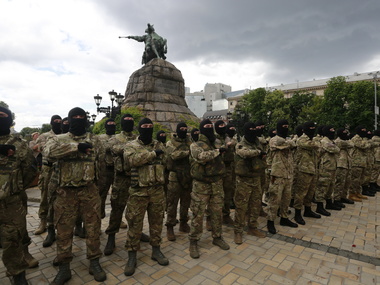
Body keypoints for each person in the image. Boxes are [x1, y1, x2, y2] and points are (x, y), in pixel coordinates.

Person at [45, 107, 106, 284]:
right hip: (65, 193)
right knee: (64, 231)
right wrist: (76, 147)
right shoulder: (58, 139)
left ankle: (94, 262)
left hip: (89, 191)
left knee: (93, 228)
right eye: (75, 117)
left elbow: (100, 164)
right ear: (69, 120)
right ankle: (64, 268)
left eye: (82, 117)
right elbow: (48, 153)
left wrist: (98, 188)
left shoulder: (95, 140)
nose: (78, 119)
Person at [123, 118, 169, 276]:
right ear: (139, 128)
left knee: (157, 223)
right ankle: (132, 256)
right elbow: (131, 161)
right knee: (135, 224)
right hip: (138, 192)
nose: (148, 129)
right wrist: (152, 155)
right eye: (145, 126)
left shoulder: (159, 144)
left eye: (150, 127)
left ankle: (156, 250)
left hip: (157, 190)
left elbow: (167, 162)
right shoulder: (131, 146)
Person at [0, 106, 38, 284]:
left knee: (13, 236)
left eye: (2, 115)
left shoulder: (20, 144)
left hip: (11, 200)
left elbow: (29, 170)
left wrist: (16, 186)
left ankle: (17, 273)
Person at [104, 114, 149, 256]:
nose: (129, 123)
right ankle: (111, 236)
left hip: (136, 177)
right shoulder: (115, 139)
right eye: (126, 121)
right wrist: (133, 148)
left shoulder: (138, 137)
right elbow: (115, 149)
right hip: (121, 178)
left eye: (131, 121)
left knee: (136, 209)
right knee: (117, 208)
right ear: (122, 123)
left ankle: (137, 232)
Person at [188, 119, 230, 259]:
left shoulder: (217, 142)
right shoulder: (195, 145)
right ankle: (194, 241)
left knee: (217, 212)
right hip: (201, 185)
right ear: (201, 129)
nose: (208, 128)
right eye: (205, 126)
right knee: (198, 214)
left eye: (209, 126)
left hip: (217, 183)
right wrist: (217, 151)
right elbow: (201, 157)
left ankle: (217, 237)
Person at [234, 122, 266, 244]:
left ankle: (252, 227)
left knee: (255, 205)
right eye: (250, 130)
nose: (253, 132)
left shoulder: (257, 142)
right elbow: (245, 153)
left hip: (256, 178)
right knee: (241, 207)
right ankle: (238, 231)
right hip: (244, 180)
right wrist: (258, 152)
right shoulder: (240, 144)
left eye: (254, 129)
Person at [265, 119, 298, 234]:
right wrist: (290, 143)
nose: (286, 128)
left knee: (286, 199)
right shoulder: (274, 139)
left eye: (287, 126)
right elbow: (286, 144)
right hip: (277, 174)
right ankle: (270, 221)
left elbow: (293, 144)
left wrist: (290, 143)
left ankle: (284, 218)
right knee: (274, 199)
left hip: (288, 174)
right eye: (284, 126)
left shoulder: (285, 140)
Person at [34, 115, 62, 236]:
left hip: (62, 170)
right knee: (45, 197)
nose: (58, 123)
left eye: (59, 121)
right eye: (55, 121)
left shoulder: (65, 135)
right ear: (51, 123)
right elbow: (35, 147)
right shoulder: (45, 136)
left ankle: (58, 222)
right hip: (48, 170)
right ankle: (43, 222)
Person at [165, 122, 192, 241]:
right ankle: (170, 226)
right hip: (175, 176)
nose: (184, 130)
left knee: (186, 201)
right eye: (181, 128)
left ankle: (183, 223)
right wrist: (189, 152)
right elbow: (174, 155)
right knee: (172, 202)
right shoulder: (170, 143)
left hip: (187, 175)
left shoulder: (190, 141)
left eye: (185, 128)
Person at [292, 122, 321, 225]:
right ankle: (297, 213)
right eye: (311, 128)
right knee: (300, 193)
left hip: (312, 169)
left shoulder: (312, 139)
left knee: (310, 191)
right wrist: (318, 143)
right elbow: (314, 145)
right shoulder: (302, 139)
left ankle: (308, 210)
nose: (313, 130)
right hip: (303, 170)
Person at [214, 120, 237, 226]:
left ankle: (226, 215)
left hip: (228, 168)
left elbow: (235, 144)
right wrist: (226, 145)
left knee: (228, 192)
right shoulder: (214, 137)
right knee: (215, 195)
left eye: (224, 125)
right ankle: (212, 217)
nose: (222, 127)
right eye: (220, 125)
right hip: (217, 169)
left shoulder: (228, 136)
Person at [315, 126, 341, 216]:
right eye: (331, 130)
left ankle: (329, 203)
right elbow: (335, 149)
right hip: (325, 167)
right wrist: (336, 147)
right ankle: (319, 206)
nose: (333, 132)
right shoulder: (324, 141)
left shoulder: (330, 141)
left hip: (332, 167)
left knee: (331, 186)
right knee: (322, 187)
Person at [97, 118, 117, 219]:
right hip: (104, 170)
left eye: (113, 124)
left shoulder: (118, 137)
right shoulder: (100, 138)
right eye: (109, 124)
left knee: (117, 196)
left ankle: (116, 219)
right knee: (102, 195)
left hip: (117, 169)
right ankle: (99, 217)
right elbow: (102, 148)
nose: (111, 126)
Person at [348, 125, 370, 202]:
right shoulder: (355, 138)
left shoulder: (361, 138)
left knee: (360, 179)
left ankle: (358, 192)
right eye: (363, 130)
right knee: (355, 179)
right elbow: (363, 146)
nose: (364, 132)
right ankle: (352, 194)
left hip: (362, 162)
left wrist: (366, 143)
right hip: (356, 162)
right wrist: (367, 143)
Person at [334, 128, 355, 204]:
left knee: (347, 182)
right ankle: (336, 199)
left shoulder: (344, 141)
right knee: (340, 183)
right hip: (341, 164)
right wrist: (348, 139)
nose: (346, 135)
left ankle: (343, 197)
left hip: (347, 163)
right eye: (344, 133)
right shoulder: (338, 141)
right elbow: (352, 144)